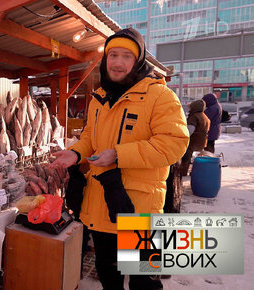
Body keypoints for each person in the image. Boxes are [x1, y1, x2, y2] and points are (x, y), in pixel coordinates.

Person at [51, 28, 189, 290]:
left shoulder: (159, 96)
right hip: (101, 203)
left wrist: (119, 155)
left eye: (126, 56)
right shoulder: (99, 98)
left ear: (138, 61)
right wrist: (76, 152)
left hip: (140, 207)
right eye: (113, 54)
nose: (117, 62)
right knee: (108, 276)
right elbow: (90, 137)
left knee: (143, 281)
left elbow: (174, 144)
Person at [180, 100, 210, 176]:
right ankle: (195, 172)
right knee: (196, 158)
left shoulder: (194, 116)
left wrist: (182, 136)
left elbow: (189, 130)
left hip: (193, 141)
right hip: (202, 141)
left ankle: (183, 172)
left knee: (187, 157)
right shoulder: (204, 116)